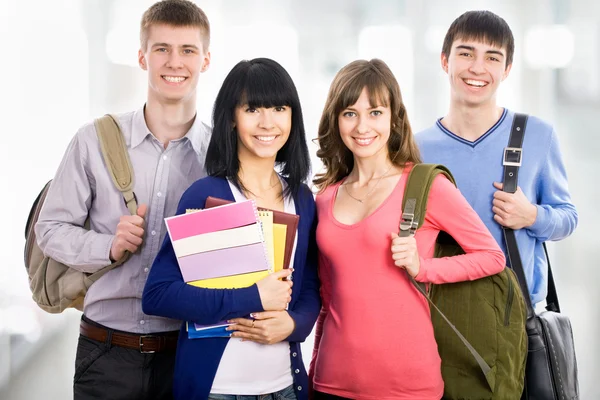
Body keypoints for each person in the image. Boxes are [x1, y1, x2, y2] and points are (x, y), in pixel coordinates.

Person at [34, 1, 212, 398]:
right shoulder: (92, 141)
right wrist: (108, 246)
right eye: (162, 48)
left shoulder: (220, 157)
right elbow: (49, 230)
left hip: (187, 353)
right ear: (142, 57)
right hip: (105, 354)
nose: (174, 62)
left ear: (206, 60)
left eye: (188, 50)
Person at [308, 59, 506, 399]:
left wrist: (423, 267)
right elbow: (328, 300)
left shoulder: (426, 186)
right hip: (331, 383)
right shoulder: (325, 198)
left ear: (394, 118)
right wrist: (312, 375)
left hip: (408, 387)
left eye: (375, 112)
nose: (361, 126)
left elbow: (492, 257)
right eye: (349, 113)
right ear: (335, 120)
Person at [142, 57, 320, 400]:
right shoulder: (206, 195)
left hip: (284, 387)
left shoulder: (301, 197)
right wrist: (252, 298)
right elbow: (159, 294)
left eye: (279, 108)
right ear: (232, 119)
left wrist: (295, 324)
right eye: (252, 109)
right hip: (217, 389)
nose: (268, 122)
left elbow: (310, 284)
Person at [416, 10, 578, 305]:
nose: (478, 68)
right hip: (437, 315)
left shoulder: (537, 135)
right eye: (466, 53)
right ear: (444, 61)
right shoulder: (416, 149)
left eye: (492, 57)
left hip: (514, 319)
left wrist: (531, 215)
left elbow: (568, 217)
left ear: (506, 69)